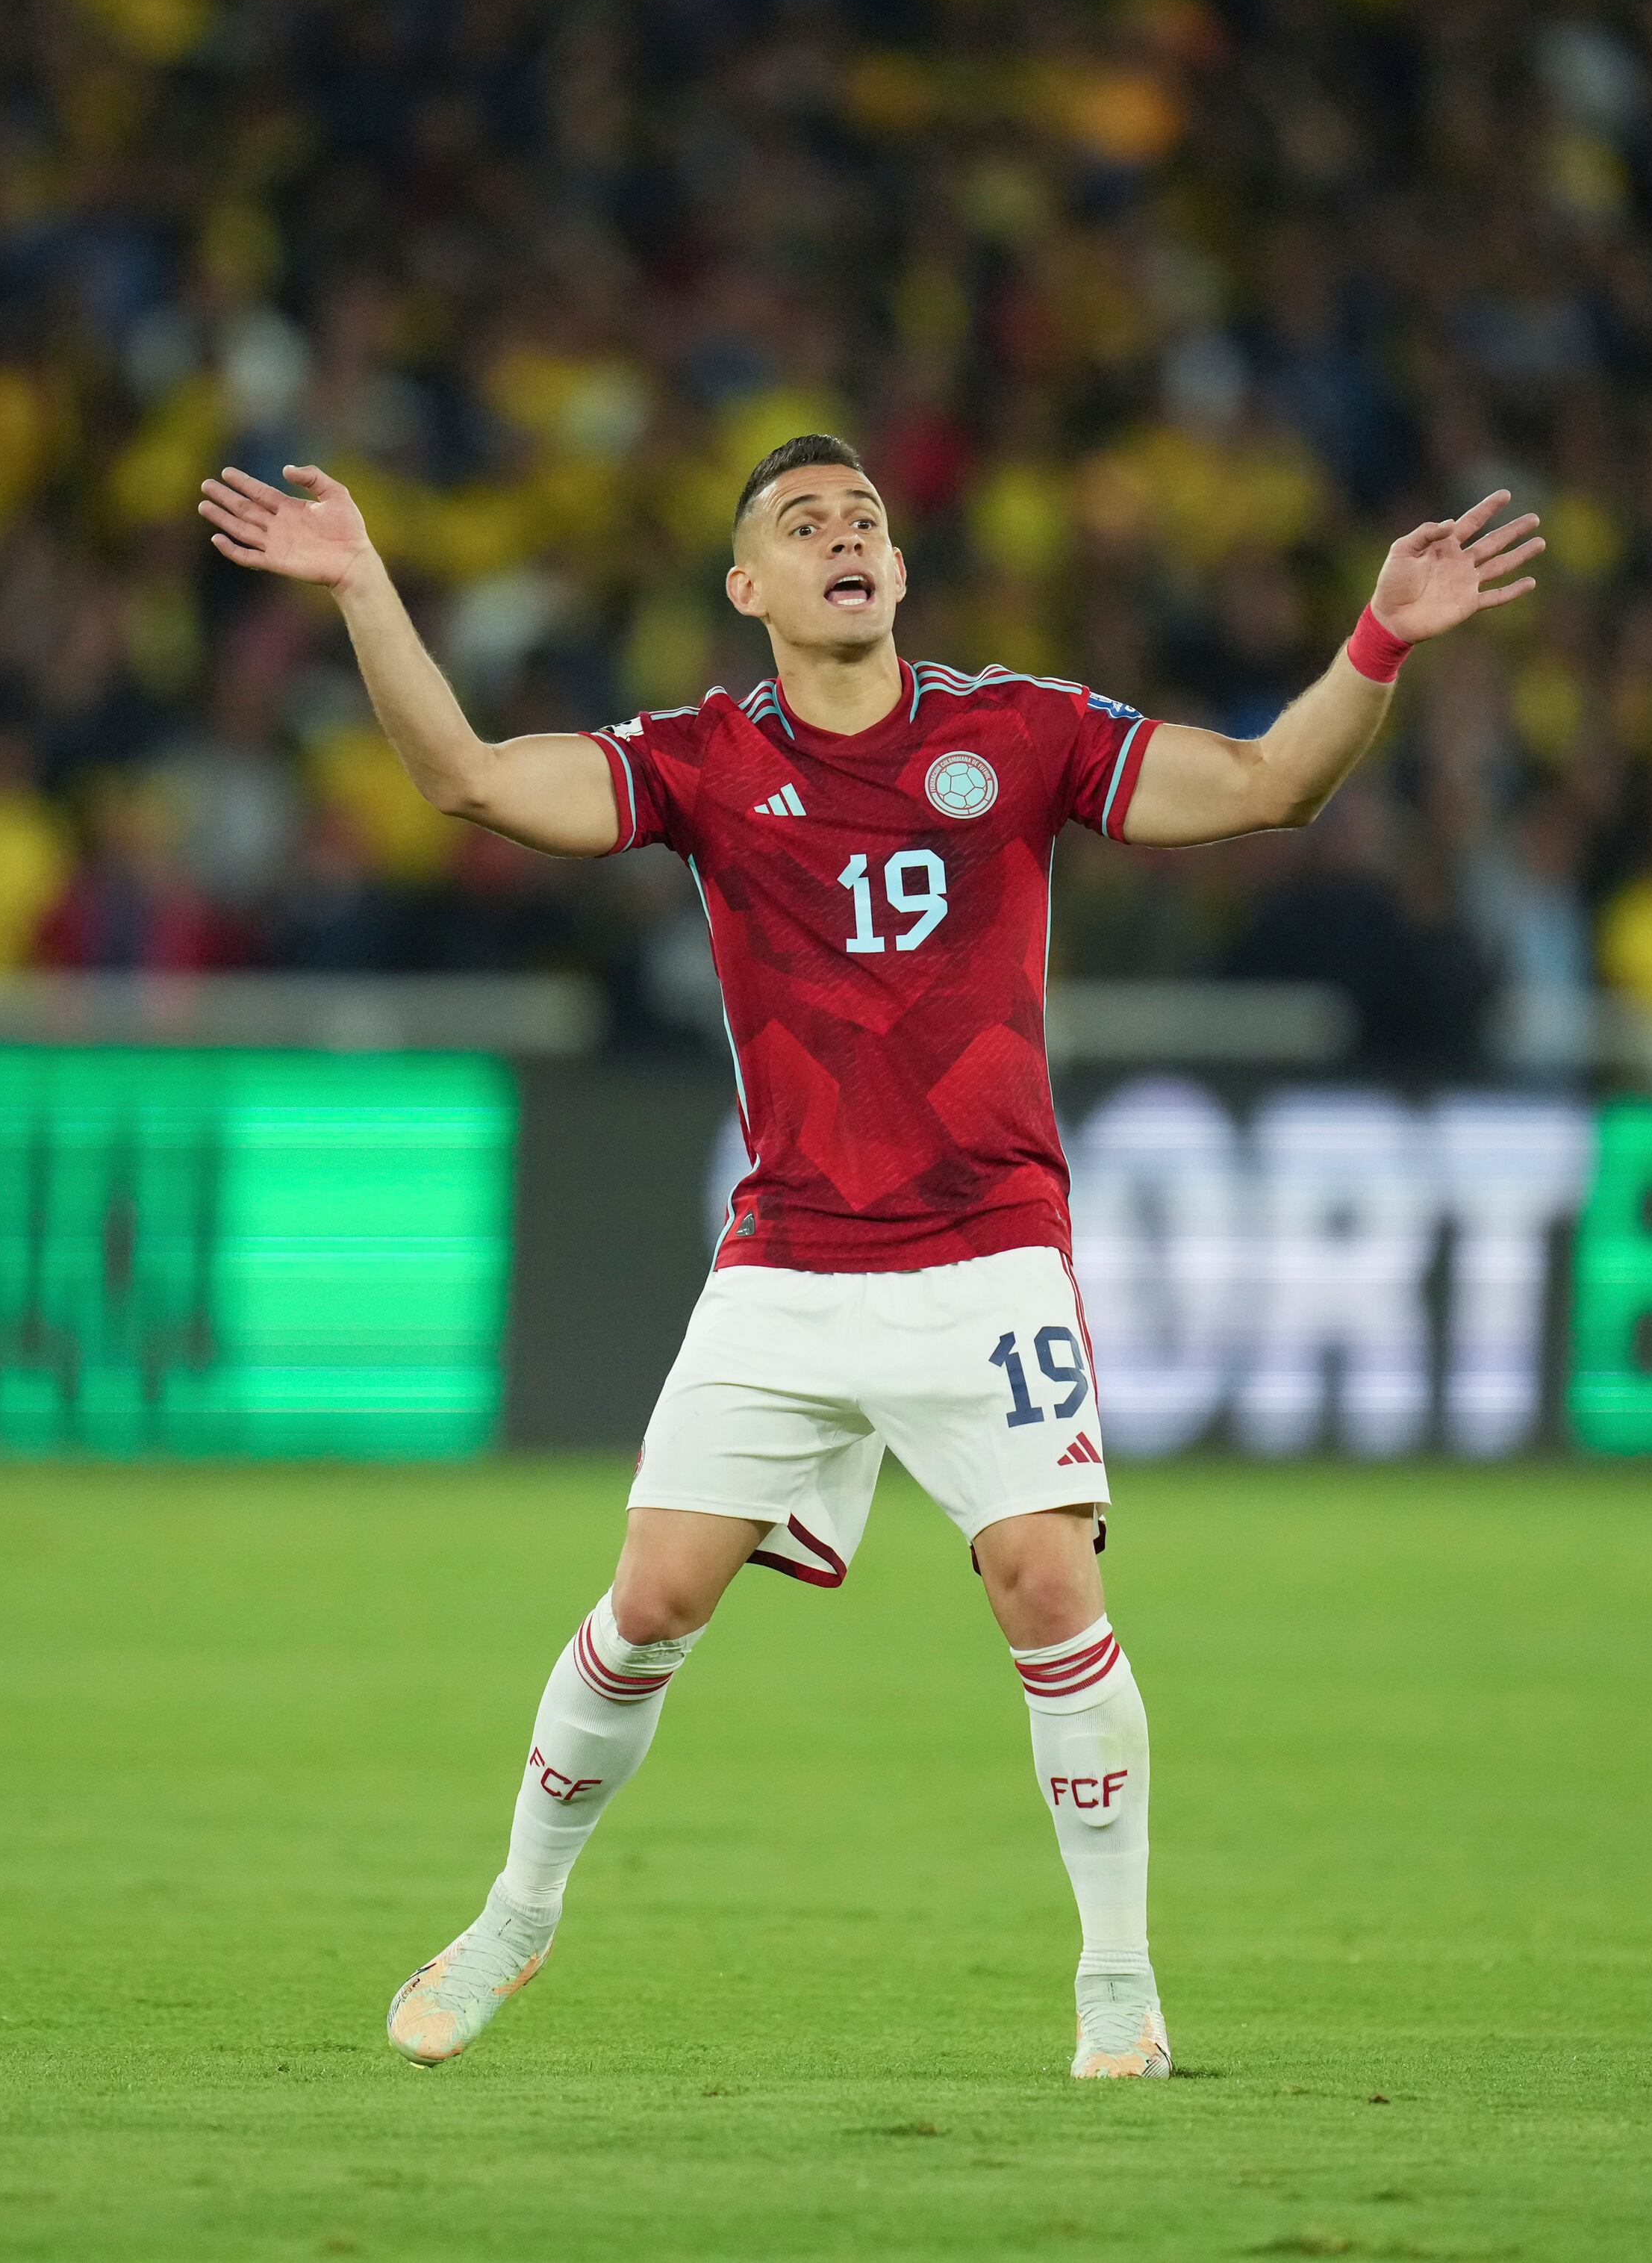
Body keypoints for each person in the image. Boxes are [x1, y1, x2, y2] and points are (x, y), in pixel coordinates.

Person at [199, 435, 1540, 2080]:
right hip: (787, 1263)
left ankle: (1117, 1981)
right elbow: (472, 779)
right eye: (800, 522)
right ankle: (515, 1914)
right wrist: (361, 587)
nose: (845, 535)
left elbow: (1271, 784)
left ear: (898, 575)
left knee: (1046, 1579)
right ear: (747, 588)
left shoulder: (1018, 731)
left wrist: (1379, 641)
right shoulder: (700, 759)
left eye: (867, 520)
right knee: (648, 1600)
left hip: (987, 1252)